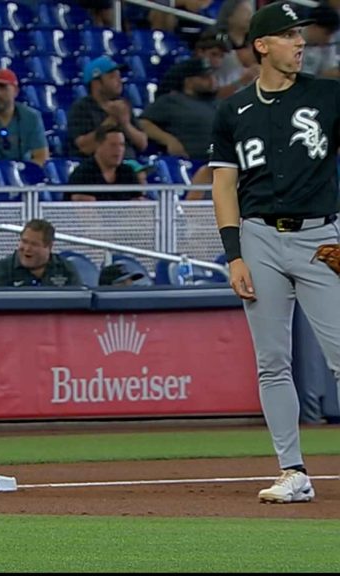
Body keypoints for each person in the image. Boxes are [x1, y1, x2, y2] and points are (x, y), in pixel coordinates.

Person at [209, 2, 340, 504]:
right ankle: (293, 471)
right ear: (262, 45)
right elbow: (224, 186)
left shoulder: (328, 95)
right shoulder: (233, 109)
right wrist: (234, 255)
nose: (300, 42)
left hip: (320, 237)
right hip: (259, 237)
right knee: (272, 362)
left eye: (301, 33)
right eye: (289, 34)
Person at [67, 56, 148, 159]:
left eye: (119, 76)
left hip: (129, 163)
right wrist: (111, 121)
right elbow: (84, 147)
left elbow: (142, 144)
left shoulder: (122, 105)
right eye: (112, 77)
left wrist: (125, 124)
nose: (119, 81)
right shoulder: (81, 108)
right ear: (96, 83)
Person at [0, 69, 49, 167]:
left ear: (15, 91)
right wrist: (9, 170)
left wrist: (19, 169)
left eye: (3, 88)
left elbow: (42, 157)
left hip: (24, 172)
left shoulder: (32, 117)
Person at [0, 219, 82, 288]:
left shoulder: (66, 268)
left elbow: (77, 302)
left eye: (34, 244)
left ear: (49, 247)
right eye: (24, 241)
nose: (27, 248)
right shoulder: (4, 268)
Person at [67, 126, 144, 201]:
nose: (119, 150)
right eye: (113, 145)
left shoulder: (127, 172)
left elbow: (139, 203)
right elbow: (84, 207)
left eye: (121, 145)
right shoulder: (83, 173)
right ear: (98, 146)